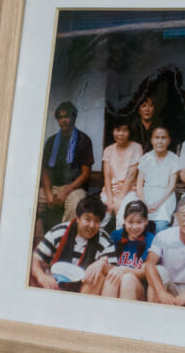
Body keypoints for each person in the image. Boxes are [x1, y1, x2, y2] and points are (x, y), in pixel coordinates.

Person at [30, 193, 114, 293]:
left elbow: (114, 270)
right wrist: (41, 276)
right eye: (87, 219)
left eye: (97, 221)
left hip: (84, 289)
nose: (92, 225)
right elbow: (35, 257)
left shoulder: (104, 240)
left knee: (100, 276)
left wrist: (102, 265)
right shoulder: (59, 232)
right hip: (53, 285)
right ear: (78, 218)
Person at [39, 101, 94, 230]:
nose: (63, 120)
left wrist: (66, 191)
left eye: (67, 116)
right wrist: (47, 192)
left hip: (74, 188)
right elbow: (45, 171)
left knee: (77, 204)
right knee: (31, 200)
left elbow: (86, 173)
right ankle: (39, 241)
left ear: (73, 118)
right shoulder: (51, 141)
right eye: (60, 117)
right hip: (52, 187)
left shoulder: (83, 140)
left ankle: (64, 240)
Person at [84, 200, 155, 300]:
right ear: (124, 220)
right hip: (114, 281)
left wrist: (124, 270)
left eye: (139, 222)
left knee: (127, 279)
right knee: (112, 278)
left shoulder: (150, 239)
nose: (134, 227)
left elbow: (144, 272)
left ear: (146, 221)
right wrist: (112, 269)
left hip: (137, 287)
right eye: (130, 222)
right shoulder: (116, 236)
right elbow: (106, 265)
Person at [135, 125, 182, 233]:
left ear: (169, 140)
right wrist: (144, 202)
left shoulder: (174, 159)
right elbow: (139, 184)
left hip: (165, 197)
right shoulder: (145, 158)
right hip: (146, 195)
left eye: (163, 138)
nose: (160, 141)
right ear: (151, 140)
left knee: (160, 227)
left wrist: (158, 203)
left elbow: (171, 185)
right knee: (141, 226)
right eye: (157, 137)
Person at [99, 118, 143, 229]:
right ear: (113, 131)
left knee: (122, 219)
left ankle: (120, 245)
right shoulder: (108, 150)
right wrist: (109, 198)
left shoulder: (136, 148)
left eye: (124, 130)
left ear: (129, 132)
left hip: (129, 190)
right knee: (100, 216)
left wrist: (119, 199)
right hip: (110, 191)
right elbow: (107, 176)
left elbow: (131, 176)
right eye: (118, 130)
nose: (121, 134)